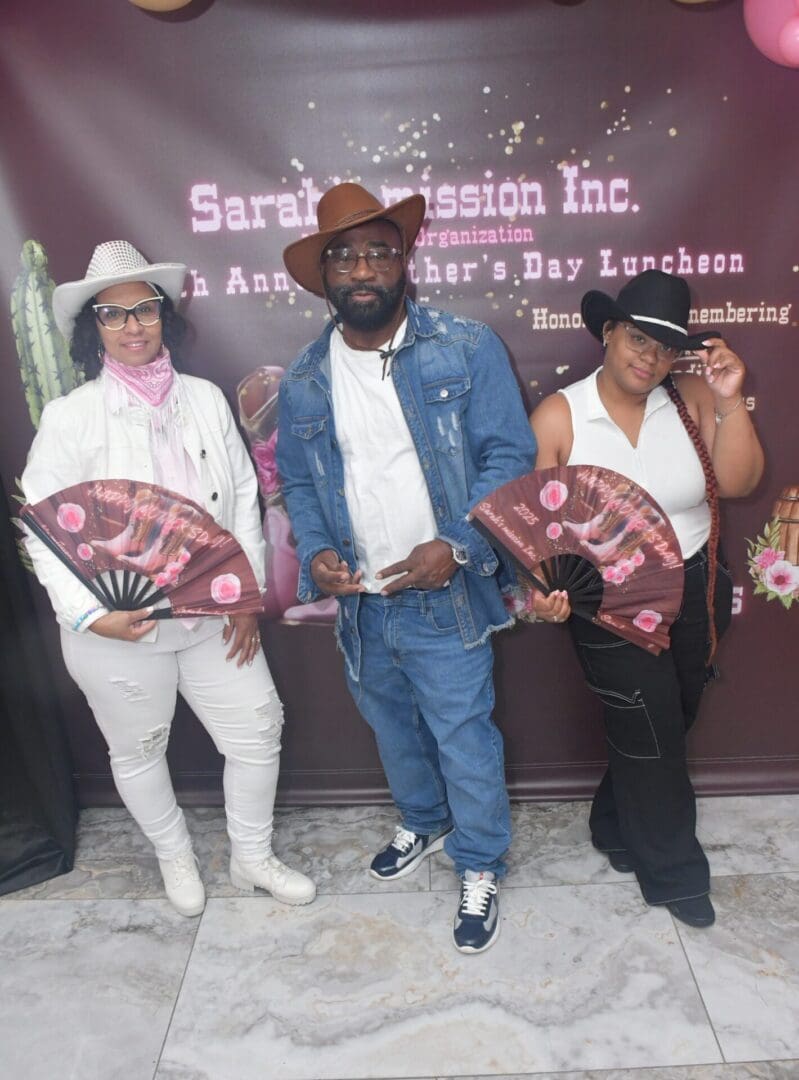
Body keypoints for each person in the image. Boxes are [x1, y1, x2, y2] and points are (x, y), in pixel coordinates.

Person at [277, 183, 537, 953]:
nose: (363, 269)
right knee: (392, 731)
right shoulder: (304, 380)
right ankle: (424, 822)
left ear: (404, 260)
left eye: (378, 252)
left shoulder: (465, 346)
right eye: (344, 255)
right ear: (323, 274)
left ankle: (479, 861)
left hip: (446, 592)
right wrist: (317, 551)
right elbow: (298, 480)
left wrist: (455, 546)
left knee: (463, 736)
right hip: (362, 601)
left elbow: (508, 455)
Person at [21, 241, 316, 916]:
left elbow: (242, 498)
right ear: (92, 329)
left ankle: (251, 856)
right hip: (116, 629)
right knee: (139, 748)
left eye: (144, 310)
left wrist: (242, 596)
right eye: (113, 315)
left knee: (257, 729)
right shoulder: (71, 417)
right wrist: (89, 615)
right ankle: (175, 858)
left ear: (164, 317)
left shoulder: (206, 400)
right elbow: (43, 527)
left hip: (212, 618)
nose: (132, 327)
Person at [529, 269, 764, 927]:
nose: (648, 357)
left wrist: (729, 398)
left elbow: (741, 482)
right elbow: (538, 528)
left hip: (694, 583)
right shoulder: (560, 414)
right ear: (608, 333)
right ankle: (673, 874)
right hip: (609, 596)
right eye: (637, 339)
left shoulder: (690, 398)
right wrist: (544, 590)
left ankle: (611, 823)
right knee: (653, 730)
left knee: (670, 715)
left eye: (663, 347)